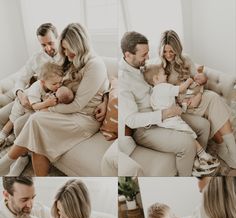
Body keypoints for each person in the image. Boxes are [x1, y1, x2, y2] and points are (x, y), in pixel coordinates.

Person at [0, 23, 109, 176]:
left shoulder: (95, 65)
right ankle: (38, 178)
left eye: (67, 48)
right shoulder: (69, 60)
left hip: (84, 118)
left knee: (36, 120)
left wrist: (48, 108)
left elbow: (78, 104)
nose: (65, 53)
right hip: (66, 111)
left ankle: (4, 164)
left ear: (80, 45)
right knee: (37, 138)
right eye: (62, 48)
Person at [119, 31, 211, 176]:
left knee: (204, 126)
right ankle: (185, 179)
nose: (148, 58)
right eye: (144, 55)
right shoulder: (124, 81)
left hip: (166, 112)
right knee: (187, 143)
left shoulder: (141, 66)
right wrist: (164, 113)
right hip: (147, 128)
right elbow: (130, 120)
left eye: (148, 53)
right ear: (128, 55)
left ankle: (195, 163)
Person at [159, 29, 236, 168]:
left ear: (177, 49)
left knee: (213, 98)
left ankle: (231, 150)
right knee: (213, 109)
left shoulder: (186, 59)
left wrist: (199, 95)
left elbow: (198, 80)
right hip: (182, 106)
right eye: (165, 51)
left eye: (171, 51)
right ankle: (224, 149)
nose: (168, 55)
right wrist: (181, 102)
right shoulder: (159, 67)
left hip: (195, 96)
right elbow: (162, 93)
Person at [143, 64, 220, 176]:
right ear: (156, 78)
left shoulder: (153, 93)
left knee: (187, 133)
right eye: (163, 74)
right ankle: (203, 156)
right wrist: (189, 81)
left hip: (163, 122)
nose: (166, 75)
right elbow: (181, 89)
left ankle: (197, 160)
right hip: (172, 119)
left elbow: (167, 105)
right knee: (189, 134)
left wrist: (183, 105)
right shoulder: (164, 87)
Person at [0, 63, 65, 147]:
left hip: (34, 106)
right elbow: (34, 106)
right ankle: (3, 134)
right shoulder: (36, 88)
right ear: (43, 82)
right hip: (23, 104)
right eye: (54, 84)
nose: (58, 86)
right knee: (13, 119)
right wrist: (47, 103)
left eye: (60, 82)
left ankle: (10, 139)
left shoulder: (52, 86)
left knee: (22, 124)